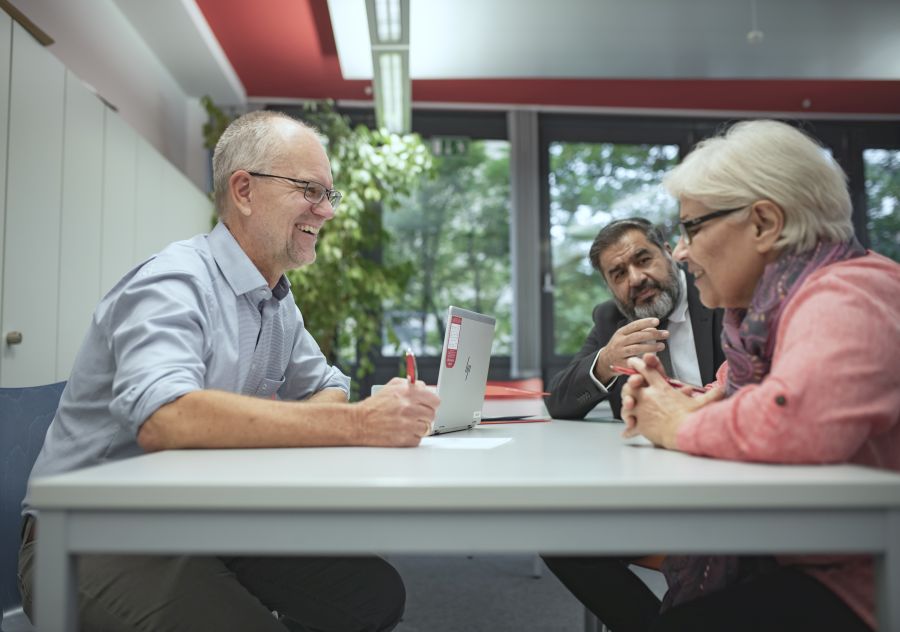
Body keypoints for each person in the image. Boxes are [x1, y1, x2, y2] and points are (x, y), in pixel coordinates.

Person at [18, 110, 440, 632]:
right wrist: (357, 424)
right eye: (310, 189)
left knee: (370, 595)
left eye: (328, 195)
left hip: (202, 522)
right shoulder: (173, 282)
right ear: (244, 191)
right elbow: (166, 419)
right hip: (90, 539)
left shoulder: (277, 300)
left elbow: (330, 386)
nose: (326, 212)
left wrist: (260, 426)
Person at [609, 120, 900, 631]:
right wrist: (668, 396)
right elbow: (732, 397)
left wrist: (674, 423)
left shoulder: (847, 294)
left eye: (691, 227)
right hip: (811, 553)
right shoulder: (776, 309)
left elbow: (792, 420)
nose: (680, 251)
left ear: (764, 223)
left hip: (861, 583)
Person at [544, 217, 724, 420]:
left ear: (668, 252)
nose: (636, 279)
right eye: (619, 274)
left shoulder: (716, 291)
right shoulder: (611, 318)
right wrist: (605, 362)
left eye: (643, 260)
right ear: (609, 286)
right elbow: (556, 402)